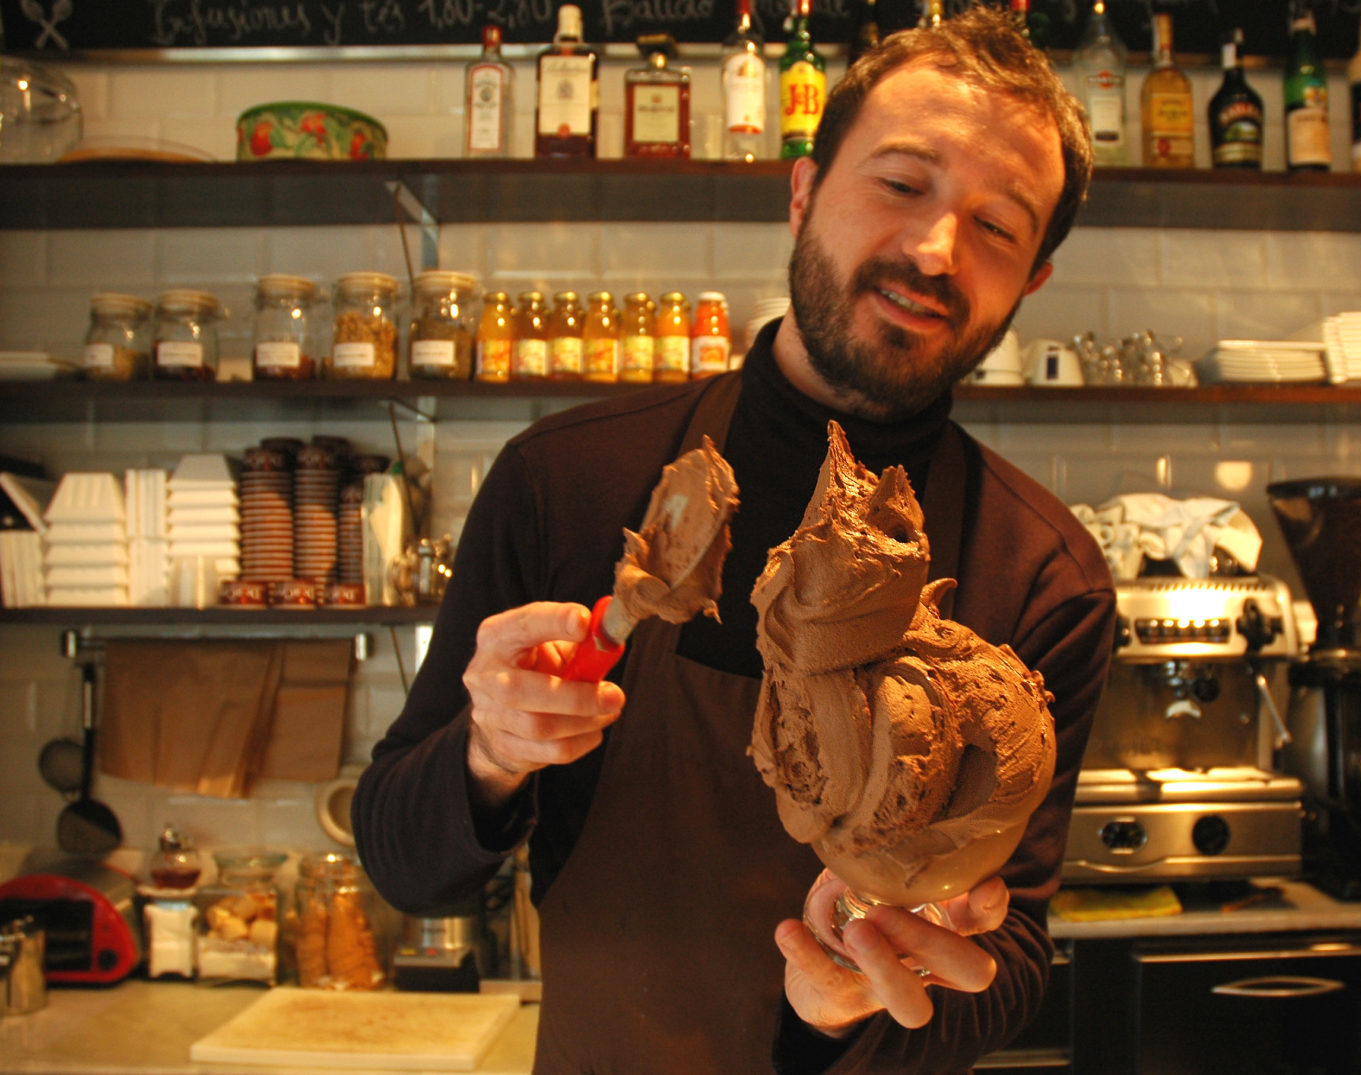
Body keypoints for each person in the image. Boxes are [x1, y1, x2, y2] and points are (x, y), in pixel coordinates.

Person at [352, 6, 1114, 1072]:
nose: (936, 248)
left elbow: (1014, 957)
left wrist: (856, 1000)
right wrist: (488, 755)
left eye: (997, 225)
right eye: (900, 183)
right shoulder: (570, 484)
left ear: (1030, 279)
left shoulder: (1042, 576)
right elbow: (401, 859)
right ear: (803, 191)